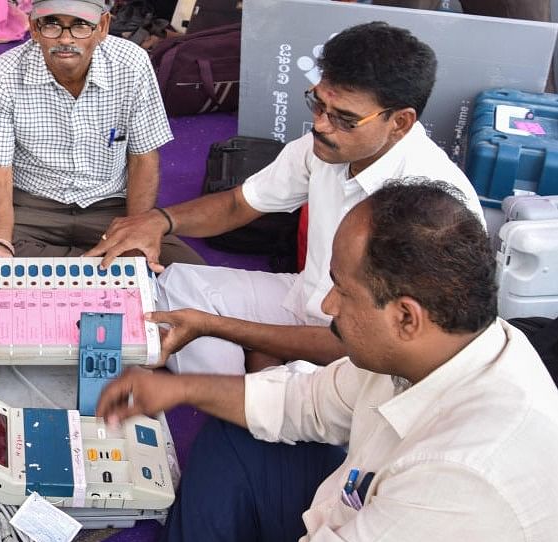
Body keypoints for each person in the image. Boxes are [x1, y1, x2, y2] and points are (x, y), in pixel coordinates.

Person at [98, 179, 558, 542]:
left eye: (343, 290)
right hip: (356, 519)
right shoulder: (441, 346)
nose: (328, 305)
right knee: (236, 431)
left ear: (405, 316)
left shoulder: (467, 476)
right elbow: (302, 401)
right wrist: (180, 390)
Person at [86, 21, 483, 375]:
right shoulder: (329, 145)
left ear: (400, 122)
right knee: (174, 286)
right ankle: (241, 388)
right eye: (317, 103)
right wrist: (160, 220)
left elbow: (353, 343)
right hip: (304, 298)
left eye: (344, 118)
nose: (321, 125)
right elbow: (239, 204)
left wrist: (222, 327)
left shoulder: (430, 211)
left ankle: (243, 389)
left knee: (222, 344)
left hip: (363, 359)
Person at [0, 0, 204, 266]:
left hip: (111, 206)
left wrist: (135, 232)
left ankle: (60, 271)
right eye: (52, 25)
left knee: (187, 269)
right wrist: (0, 243)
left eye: (81, 25)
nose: (66, 39)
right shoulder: (2, 73)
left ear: (103, 26)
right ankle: (91, 270)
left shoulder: (132, 64)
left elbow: (144, 160)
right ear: (34, 28)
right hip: (30, 206)